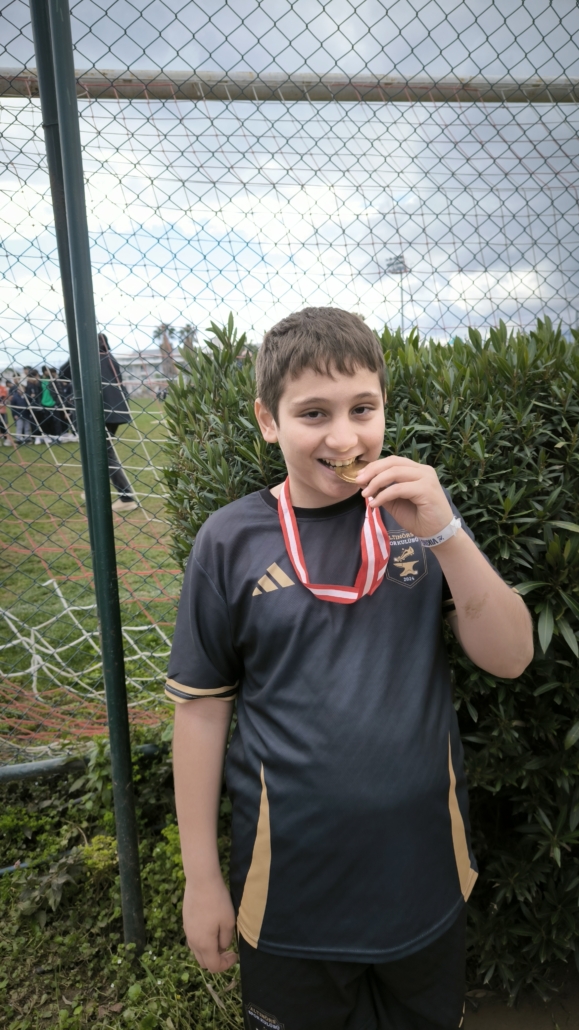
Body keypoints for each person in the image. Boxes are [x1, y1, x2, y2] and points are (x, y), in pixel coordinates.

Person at [167, 307, 534, 1030]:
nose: (344, 437)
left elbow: (512, 657)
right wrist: (201, 880)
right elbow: (202, 712)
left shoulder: (418, 518)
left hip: (424, 879)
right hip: (289, 897)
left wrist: (447, 533)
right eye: (313, 413)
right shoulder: (229, 540)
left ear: (384, 408)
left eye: (362, 409)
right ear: (267, 421)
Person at [97, 333, 138, 513]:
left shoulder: (92, 359)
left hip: (103, 412)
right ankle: (95, 491)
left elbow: (64, 372)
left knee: (105, 454)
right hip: (117, 410)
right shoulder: (110, 358)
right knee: (98, 452)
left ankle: (126, 497)